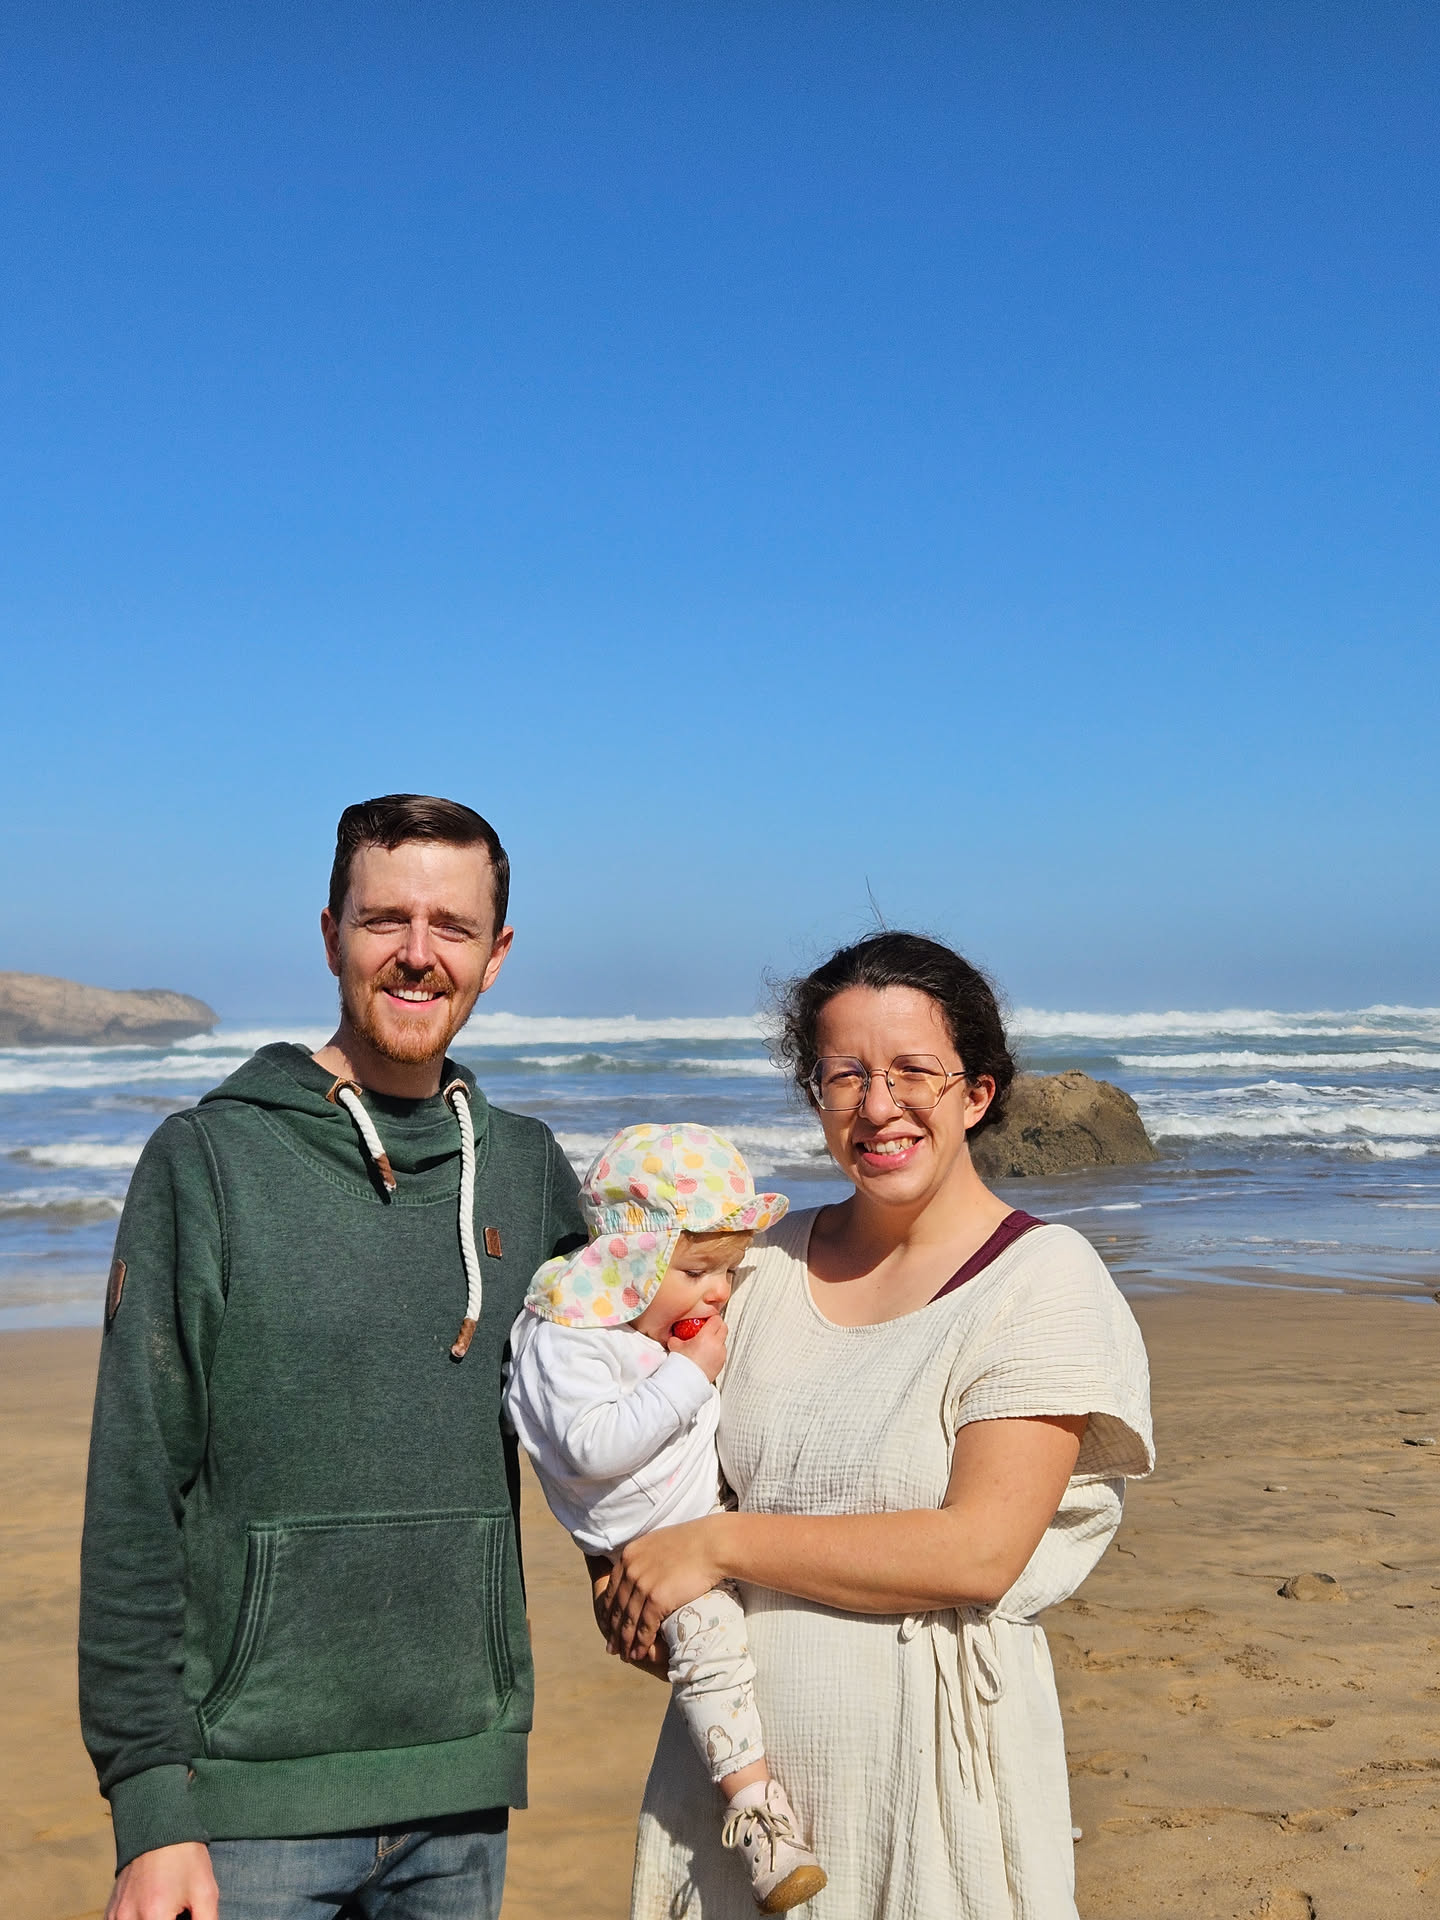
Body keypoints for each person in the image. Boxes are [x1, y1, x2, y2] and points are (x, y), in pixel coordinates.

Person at [79, 793, 585, 1920]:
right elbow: (134, 1491)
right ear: (330, 934)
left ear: (497, 954)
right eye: (385, 919)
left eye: (452, 927)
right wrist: (150, 1806)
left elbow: (620, 1399)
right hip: (242, 1810)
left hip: (461, 1791)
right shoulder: (208, 1162)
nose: (418, 954)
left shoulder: (526, 1169)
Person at [606, 931, 1155, 1920]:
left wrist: (714, 1546)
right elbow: (633, 1441)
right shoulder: (755, 1268)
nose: (877, 1105)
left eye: (913, 1072)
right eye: (845, 1075)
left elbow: (978, 1552)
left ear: (977, 1094)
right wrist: (628, 1581)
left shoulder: (1042, 1280)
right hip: (733, 1784)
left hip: (928, 1780)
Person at [504, 1124, 826, 1916]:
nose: (717, 1292)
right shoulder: (569, 1340)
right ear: (630, 1261)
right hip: (649, 1546)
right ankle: (758, 1816)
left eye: (727, 1272)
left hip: (706, 1520)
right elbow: (591, 1447)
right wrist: (687, 1375)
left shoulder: (647, 1325)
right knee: (711, 1649)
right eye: (695, 1271)